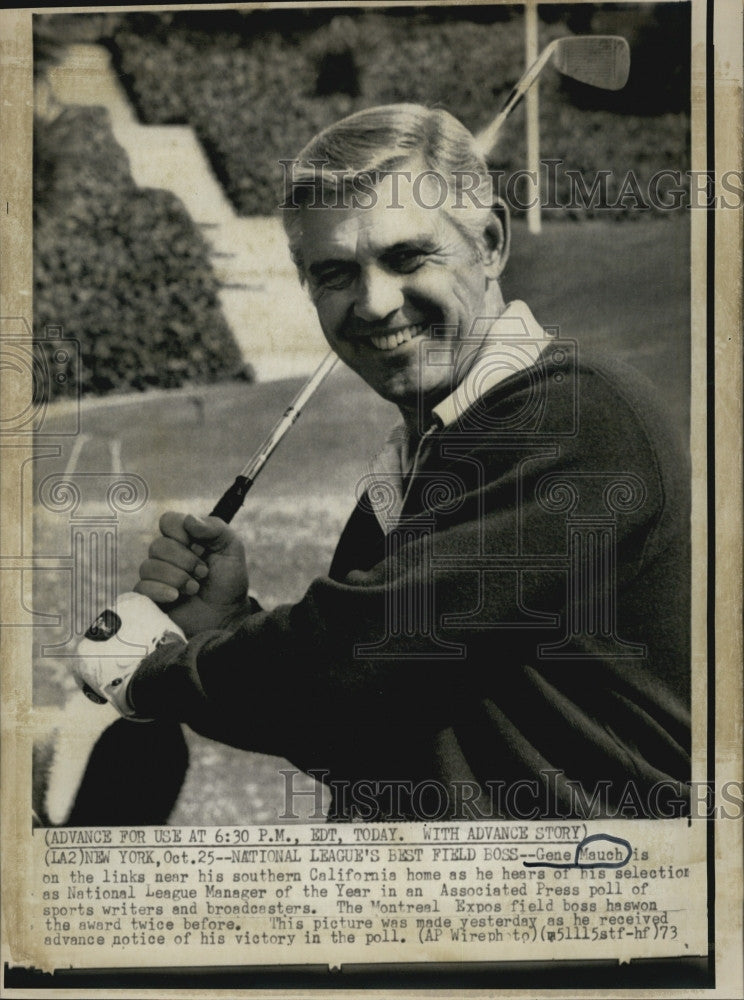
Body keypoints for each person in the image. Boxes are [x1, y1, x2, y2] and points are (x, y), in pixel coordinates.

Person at [78, 104, 691, 822]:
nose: (373, 302)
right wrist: (227, 622)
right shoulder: (419, 459)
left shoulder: (573, 413)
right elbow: (360, 728)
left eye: (407, 258)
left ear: (489, 243)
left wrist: (152, 674)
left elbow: (361, 658)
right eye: (335, 273)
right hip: (454, 917)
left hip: (586, 912)